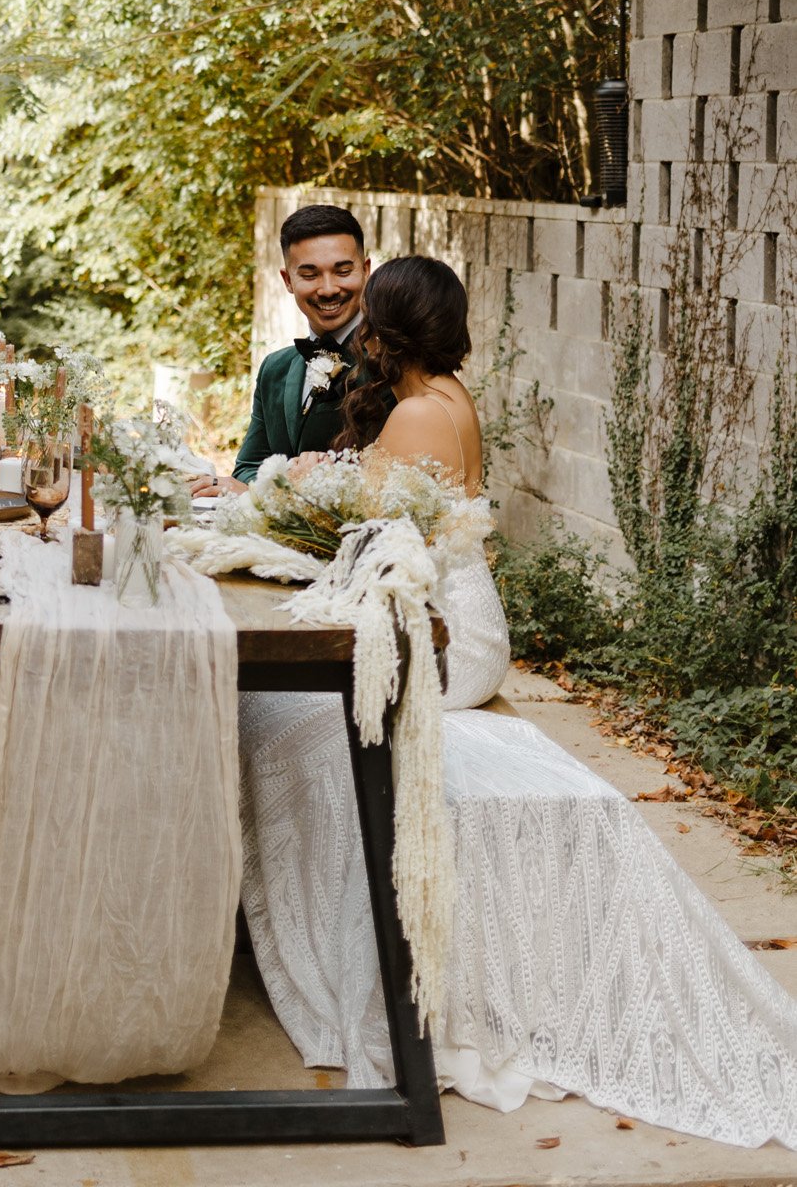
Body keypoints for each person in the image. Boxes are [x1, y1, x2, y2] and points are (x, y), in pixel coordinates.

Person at [240, 255, 797, 1148]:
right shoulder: (446, 393)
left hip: (447, 637)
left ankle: (343, 937)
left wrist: (295, 485)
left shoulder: (420, 411)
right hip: (453, 611)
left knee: (280, 715)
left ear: (385, 325)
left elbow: (374, 525)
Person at [190, 204, 395, 499]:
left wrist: (273, 490)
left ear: (365, 271)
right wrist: (274, 486)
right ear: (288, 280)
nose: (328, 289)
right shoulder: (275, 368)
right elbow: (247, 467)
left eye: (343, 271)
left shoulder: (392, 366)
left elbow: (385, 485)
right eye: (310, 274)